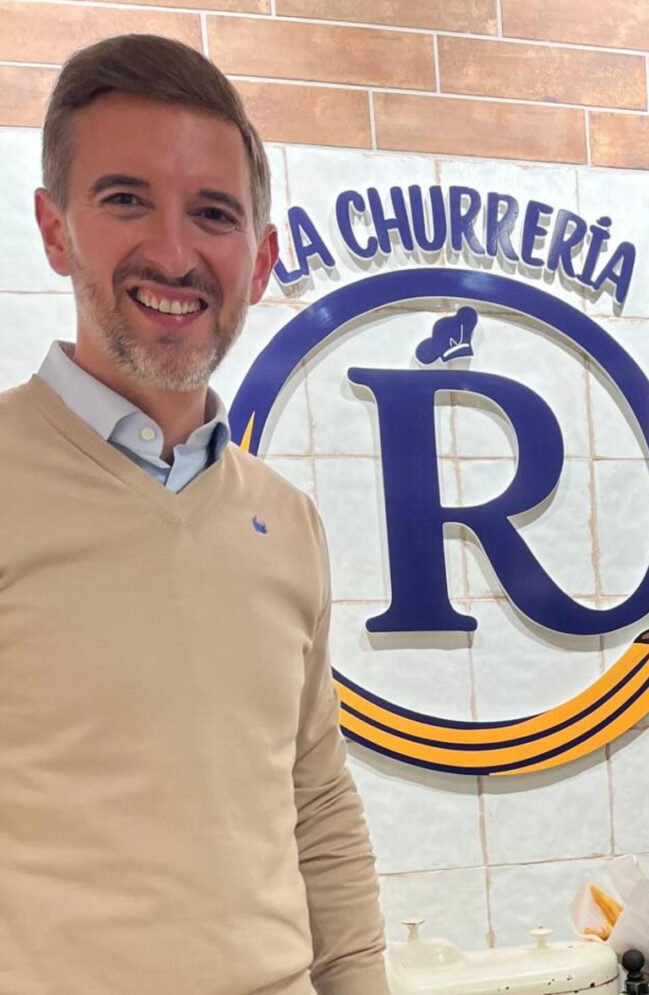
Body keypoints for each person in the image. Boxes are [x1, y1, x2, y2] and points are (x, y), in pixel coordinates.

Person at [0, 34, 388, 994]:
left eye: (212, 213)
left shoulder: (286, 521)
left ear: (259, 260)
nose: (175, 253)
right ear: (55, 228)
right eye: (125, 199)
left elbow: (316, 803)